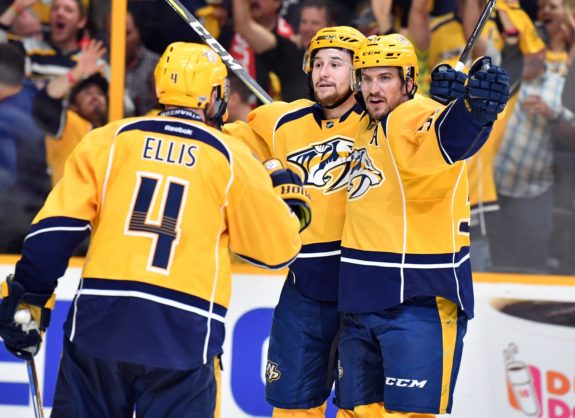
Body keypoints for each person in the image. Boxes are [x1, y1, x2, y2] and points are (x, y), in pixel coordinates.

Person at [0, 41, 310, 417]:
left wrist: (28, 297)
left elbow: (55, 230)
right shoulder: (233, 158)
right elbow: (277, 252)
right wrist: (290, 200)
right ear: (213, 97)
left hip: (100, 324)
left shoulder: (109, 140)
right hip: (184, 333)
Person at [336, 34, 509, 416]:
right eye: (366, 78)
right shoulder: (366, 125)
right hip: (361, 302)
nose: (373, 89)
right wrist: (449, 105)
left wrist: (475, 110)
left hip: (417, 303)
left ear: (409, 82)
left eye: (385, 78)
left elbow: (445, 136)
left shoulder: (405, 117)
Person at [224, 25, 365, 418]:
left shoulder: (379, 121)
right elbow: (229, 140)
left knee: (364, 405)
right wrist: (271, 165)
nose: (324, 72)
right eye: (318, 63)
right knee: (293, 406)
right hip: (305, 287)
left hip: (366, 289)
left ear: (358, 72)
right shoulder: (282, 120)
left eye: (336, 64)